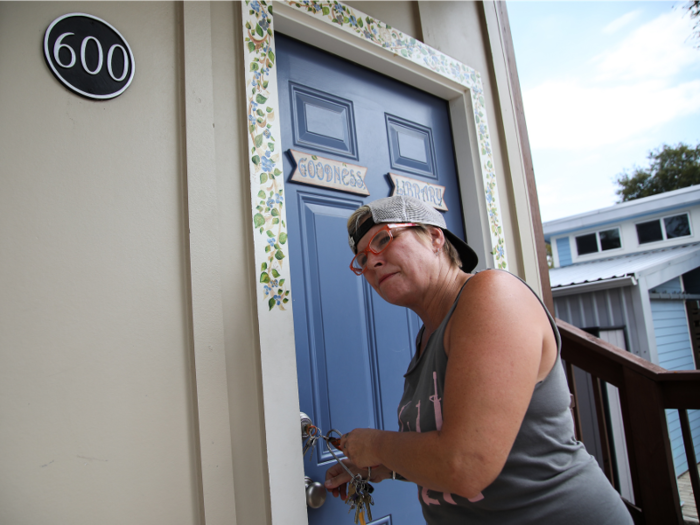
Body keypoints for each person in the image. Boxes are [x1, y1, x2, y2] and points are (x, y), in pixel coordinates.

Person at [324, 195, 633, 524]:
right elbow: (466, 459)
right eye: (361, 259)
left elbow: (466, 464)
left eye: (384, 239)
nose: (371, 262)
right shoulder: (428, 338)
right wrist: (383, 467)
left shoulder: (493, 295)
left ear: (434, 237)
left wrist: (377, 444)